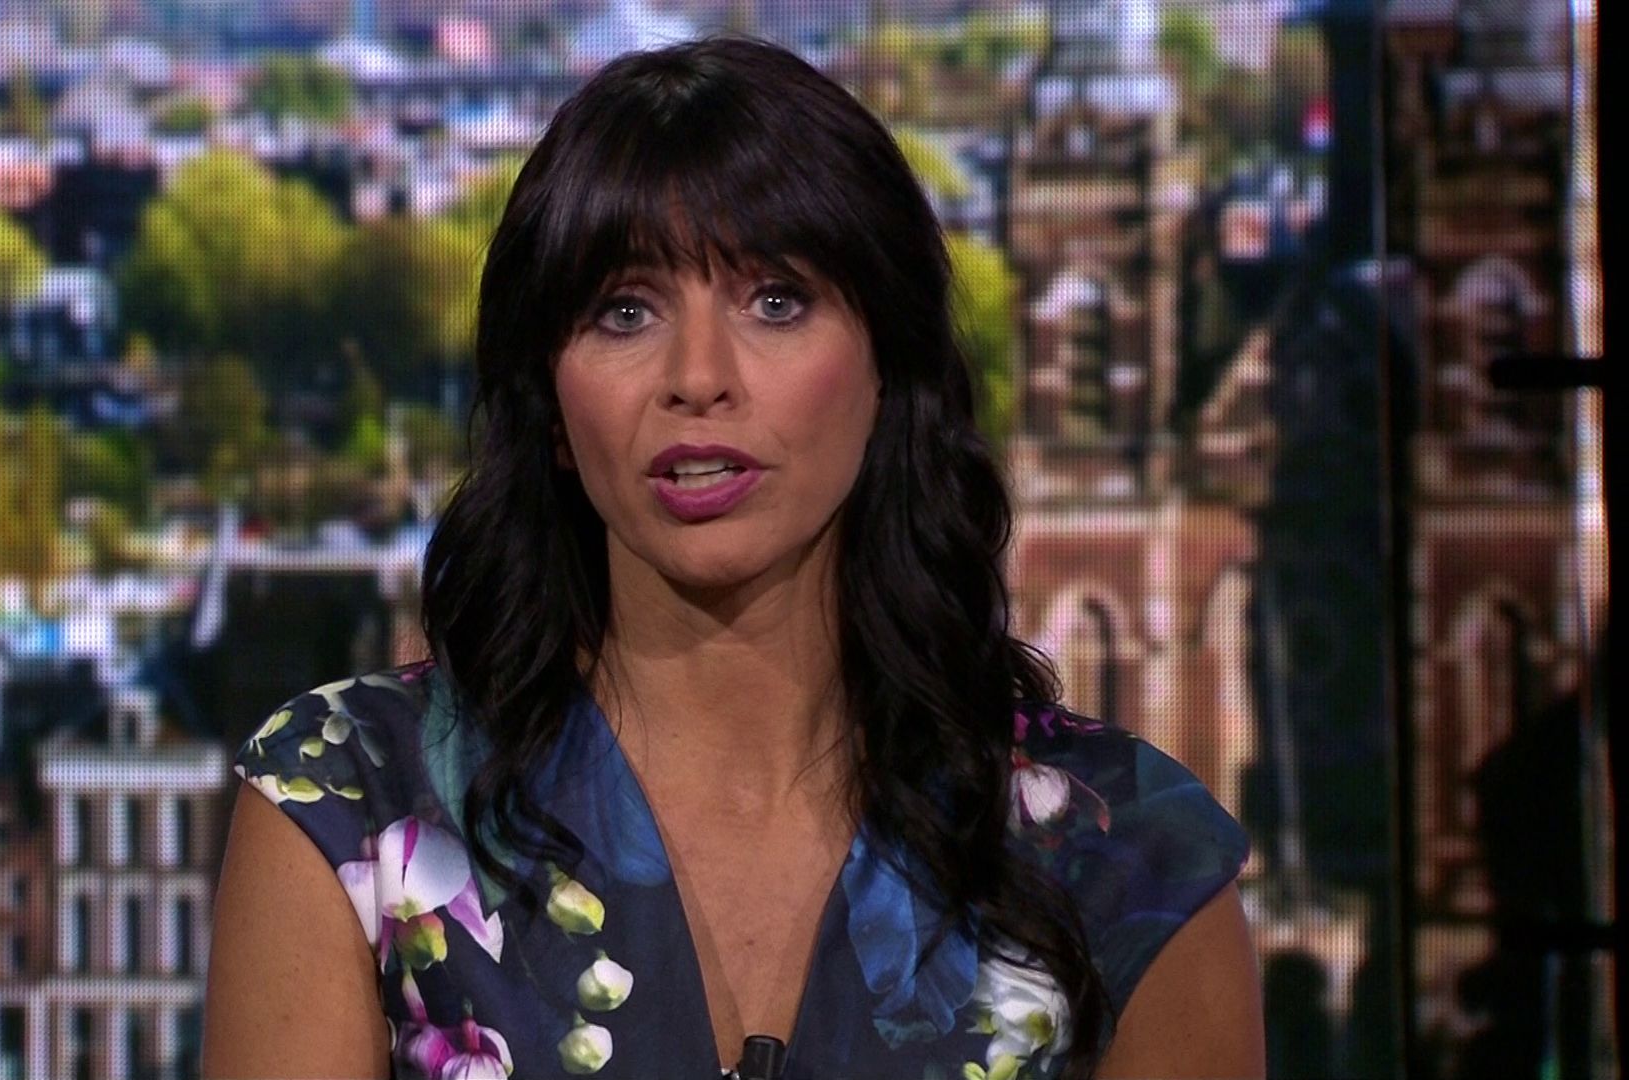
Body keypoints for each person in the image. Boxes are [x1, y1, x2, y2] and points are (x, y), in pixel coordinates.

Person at [205, 34, 1261, 1080]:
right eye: (626, 312)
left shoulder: (1130, 861)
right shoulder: (350, 803)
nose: (699, 376)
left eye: (775, 302)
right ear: (552, 407)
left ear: (888, 370)